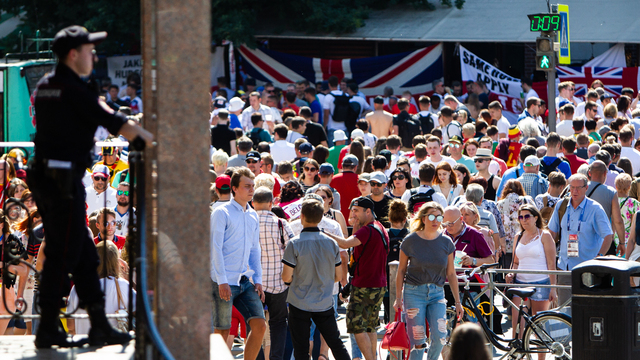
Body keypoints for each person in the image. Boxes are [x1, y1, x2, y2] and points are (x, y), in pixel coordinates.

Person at [30, 25, 152, 348]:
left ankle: (98, 323)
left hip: (48, 177)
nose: (94, 56)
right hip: (62, 182)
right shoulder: (73, 90)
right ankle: (46, 327)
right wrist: (152, 141)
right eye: (89, 50)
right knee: (62, 251)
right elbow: (118, 124)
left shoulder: (45, 85)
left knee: (84, 250)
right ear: (73, 55)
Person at [281, 199, 350, 360]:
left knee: (301, 349)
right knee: (336, 344)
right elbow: (338, 276)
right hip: (324, 301)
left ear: (301, 216)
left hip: (299, 302)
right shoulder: (332, 243)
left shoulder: (294, 243)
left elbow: (286, 276)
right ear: (321, 217)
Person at [394, 202, 463, 360]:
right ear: (423, 218)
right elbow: (401, 270)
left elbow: (451, 274)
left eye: (439, 217)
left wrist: (458, 302)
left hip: (437, 293)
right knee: (418, 340)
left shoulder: (446, 242)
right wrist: (398, 298)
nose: (435, 220)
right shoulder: (410, 241)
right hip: (413, 293)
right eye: (431, 216)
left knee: (440, 337)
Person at [211, 168, 267, 360]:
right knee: (222, 333)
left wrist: (258, 279)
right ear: (234, 188)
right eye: (247, 186)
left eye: (253, 186)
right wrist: (221, 281)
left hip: (243, 280)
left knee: (260, 326)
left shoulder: (253, 215)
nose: (251, 190)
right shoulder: (221, 212)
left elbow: (254, 249)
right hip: (223, 280)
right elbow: (215, 249)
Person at [325, 197, 389, 360]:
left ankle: (369, 358)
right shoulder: (379, 228)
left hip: (365, 285)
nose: (353, 214)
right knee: (370, 326)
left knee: (357, 326)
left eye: (356, 211)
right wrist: (355, 225)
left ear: (368, 211)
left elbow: (346, 244)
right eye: (352, 210)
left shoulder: (367, 230)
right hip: (378, 284)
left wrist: (324, 232)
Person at [548, 174, 613, 305]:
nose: (575, 191)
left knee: (586, 308)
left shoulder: (595, 208)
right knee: (565, 310)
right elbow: (551, 233)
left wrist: (599, 258)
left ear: (586, 188)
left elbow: (608, 236)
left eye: (578, 188)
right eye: (572, 187)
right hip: (565, 267)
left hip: (587, 269)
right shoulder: (561, 205)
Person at [252, 187, 294, 360]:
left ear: (253, 203)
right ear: (271, 203)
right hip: (278, 283)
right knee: (278, 323)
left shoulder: (248, 222)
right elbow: (293, 248)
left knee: (254, 323)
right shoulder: (280, 223)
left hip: (253, 284)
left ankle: (258, 357)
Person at [506, 204, 557, 339]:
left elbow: (552, 264)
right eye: (521, 217)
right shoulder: (518, 236)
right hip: (520, 283)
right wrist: (511, 273)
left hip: (540, 283)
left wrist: (553, 288)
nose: (523, 220)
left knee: (539, 327)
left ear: (535, 218)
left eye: (527, 216)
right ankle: (519, 356)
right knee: (518, 326)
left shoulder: (544, 235)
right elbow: (515, 262)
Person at [67, 240, 136, 335]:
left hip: (85, 346)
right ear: (117, 262)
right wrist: (128, 274)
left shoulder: (77, 287)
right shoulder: (123, 286)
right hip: (115, 347)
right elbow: (144, 313)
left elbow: (70, 326)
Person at [497, 180, 534, 264]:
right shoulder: (526, 201)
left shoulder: (499, 204)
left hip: (505, 247)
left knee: (508, 273)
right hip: (525, 244)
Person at [331, 155, 361, 221]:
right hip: (355, 220)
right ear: (355, 167)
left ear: (342, 166)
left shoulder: (333, 179)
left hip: (337, 220)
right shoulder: (361, 180)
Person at [614, 174, 640, 250]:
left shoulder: (611, 201)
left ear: (616, 186)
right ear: (629, 187)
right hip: (628, 241)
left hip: (613, 239)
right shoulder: (634, 203)